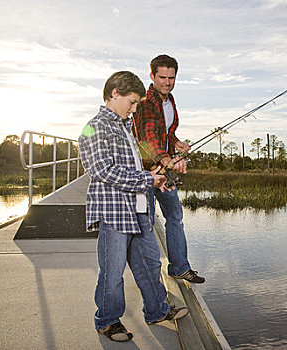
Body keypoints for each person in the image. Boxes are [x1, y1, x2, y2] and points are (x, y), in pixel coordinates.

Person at [78, 71, 188, 342]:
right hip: (115, 212)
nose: (136, 108)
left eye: (139, 103)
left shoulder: (126, 125)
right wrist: (145, 179)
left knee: (150, 264)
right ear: (114, 93)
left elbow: (134, 165)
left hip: (139, 207)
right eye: (132, 102)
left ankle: (157, 310)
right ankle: (107, 320)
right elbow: (102, 170)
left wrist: (156, 179)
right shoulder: (94, 127)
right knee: (113, 272)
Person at [133, 54, 205, 284]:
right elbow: (148, 138)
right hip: (145, 173)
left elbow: (166, 134)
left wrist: (177, 144)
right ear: (152, 75)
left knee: (175, 216)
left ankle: (179, 267)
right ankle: (151, 283)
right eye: (162, 77)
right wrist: (167, 159)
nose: (167, 82)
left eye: (171, 78)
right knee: (144, 225)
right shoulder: (145, 102)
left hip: (165, 170)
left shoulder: (169, 101)